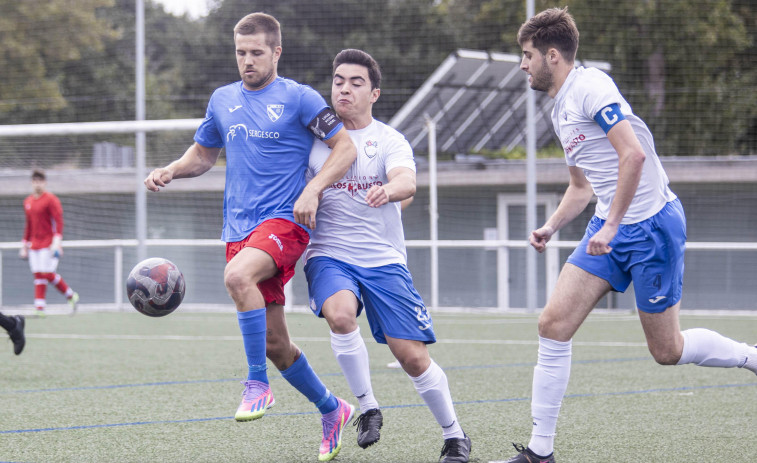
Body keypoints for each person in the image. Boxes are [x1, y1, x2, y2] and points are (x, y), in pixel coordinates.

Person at [502, 8, 757, 463]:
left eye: (527, 55)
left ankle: (750, 356)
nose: (523, 64)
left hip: (652, 225)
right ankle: (540, 452)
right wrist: (551, 226)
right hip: (608, 224)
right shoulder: (561, 107)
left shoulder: (591, 87)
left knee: (667, 350)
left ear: (552, 56)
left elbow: (633, 156)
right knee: (552, 325)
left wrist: (615, 225)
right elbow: (582, 186)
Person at [143, 13, 358, 462]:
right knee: (278, 345)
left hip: (286, 221)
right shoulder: (223, 100)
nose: (247, 61)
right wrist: (171, 170)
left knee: (237, 277)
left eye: (256, 52)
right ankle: (331, 408)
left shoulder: (299, 98)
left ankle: (257, 384)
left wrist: (313, 190)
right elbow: (203, 155)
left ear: (276, 51)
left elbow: (346, 148)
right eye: (241, 53)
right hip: (238, 228)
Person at [304, 49, 471, 463]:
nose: (344, 87)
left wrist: (389, 191)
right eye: (339, 80)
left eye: (356, 82)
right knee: (340, 314)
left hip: (383, 260)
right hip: (328, 254)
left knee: (412, 357)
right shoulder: (312, 140)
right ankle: (368, 407)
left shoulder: (389, 139)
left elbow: (406, 180)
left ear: (374, 93)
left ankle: (454, 435)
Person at [20, 170, 79, 315]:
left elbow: (58, 221)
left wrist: (57, 241)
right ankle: (40, 308)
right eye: (35, 181)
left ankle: (70, 295)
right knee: (38, 275)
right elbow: (28, 225)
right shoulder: (27, 202)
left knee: (46, 274)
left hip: (48, 243)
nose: (37, 183)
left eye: (40, 180)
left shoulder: (51, 200)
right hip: (34, 244)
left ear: (44, 182)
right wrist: (24, 245)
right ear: (31, 182)